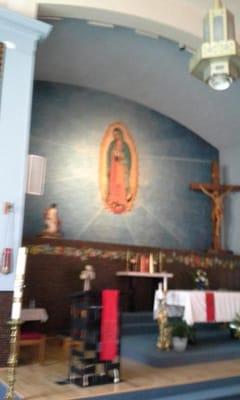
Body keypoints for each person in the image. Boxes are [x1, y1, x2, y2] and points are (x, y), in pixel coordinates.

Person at [106, 128, 132, 214]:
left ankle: (121, 202)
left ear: (120, 134)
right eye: (114, 135)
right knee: (113, 184)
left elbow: (128, 159)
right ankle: (114, 201)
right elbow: (108, 156)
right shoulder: (112, 145)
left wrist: (121, 158)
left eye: (116, 134)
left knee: (121, 184)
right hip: (114, 167)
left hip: (121, 168)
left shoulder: (125, 146)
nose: (115, 136)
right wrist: (109, 167)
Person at [199, 185, 231, 250]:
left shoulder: (220, 197)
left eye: (216, 193)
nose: (215, 194)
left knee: (219, 221)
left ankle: (217, 230)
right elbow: (208, 193)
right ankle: (217, 231)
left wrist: (229, 190)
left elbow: (225, 194)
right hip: (216, 210)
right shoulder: (214, 198)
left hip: (220, 211)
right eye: (215, 194)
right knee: (217, 221)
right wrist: (202, 189)